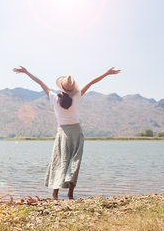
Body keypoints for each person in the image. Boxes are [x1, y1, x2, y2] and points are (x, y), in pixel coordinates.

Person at [13, 66, 121, 199]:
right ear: (72, 89)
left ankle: (55, 193)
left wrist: (26, 72)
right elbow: (92, 82)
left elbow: (40, 83)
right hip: (76, 132)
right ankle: (70, 193)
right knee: (74, 162)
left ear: (61, 88)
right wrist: (107, 73)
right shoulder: (76, 97)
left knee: (59, 161)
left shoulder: (54, 98)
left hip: (63, 133)